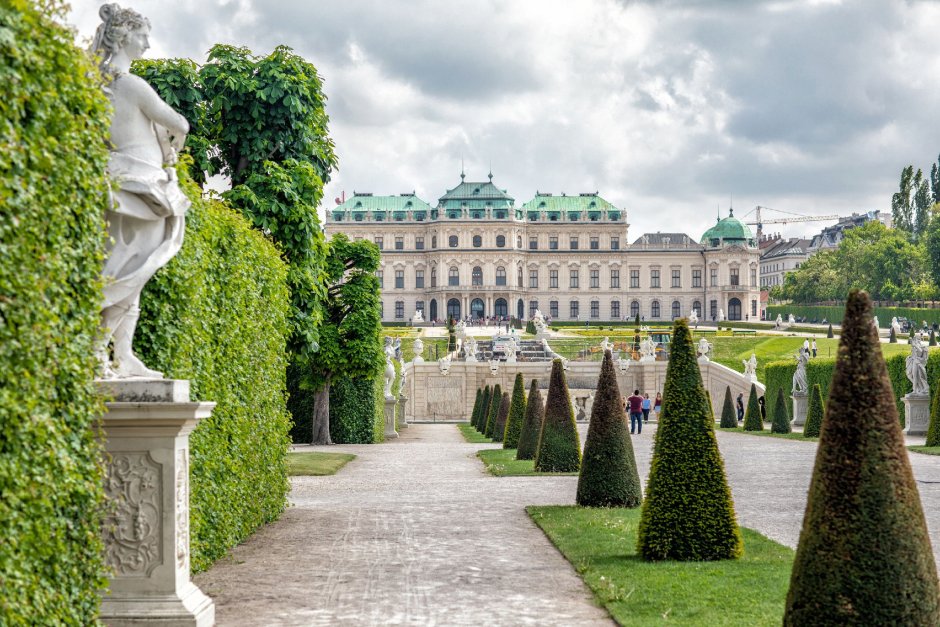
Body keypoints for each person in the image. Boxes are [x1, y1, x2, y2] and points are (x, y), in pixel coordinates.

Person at [91, 4, 190, 378]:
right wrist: (170, 144)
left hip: (120, 180)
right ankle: (100, 351)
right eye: (142, 35)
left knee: (129, 269)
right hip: (143, 188)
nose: (147, 43)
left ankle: (122, 353)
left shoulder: (99, 86)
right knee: (130, 271)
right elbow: (179, 122)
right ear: (123, 36)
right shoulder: (129, 84)